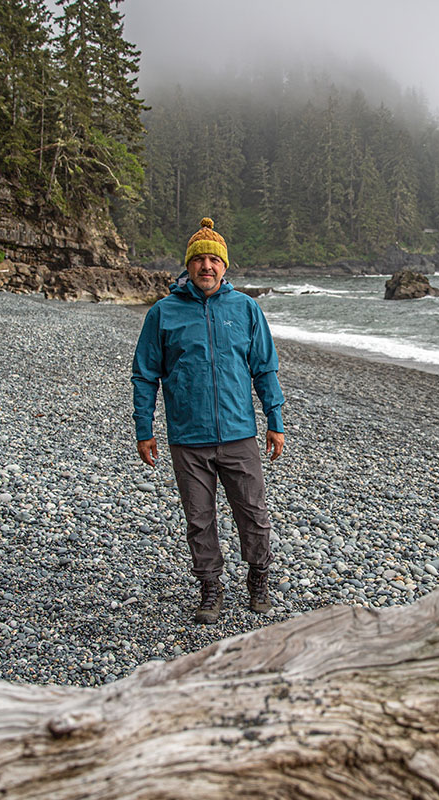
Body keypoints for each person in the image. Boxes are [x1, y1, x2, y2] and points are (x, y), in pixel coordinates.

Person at [131, 217, 286, 625]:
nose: (206, 266)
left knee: (253, 513)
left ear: (224, 266)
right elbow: (145, 374)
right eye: (199, 259)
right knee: (199, 519)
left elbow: (264, 368)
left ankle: (258, 577)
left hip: (239, 433)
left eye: (214, 260)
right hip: (188, 437)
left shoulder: (245, 309)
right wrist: (144, 429)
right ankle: (210, 586)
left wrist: (274, 419)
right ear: (188, 265)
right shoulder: (163, 313)